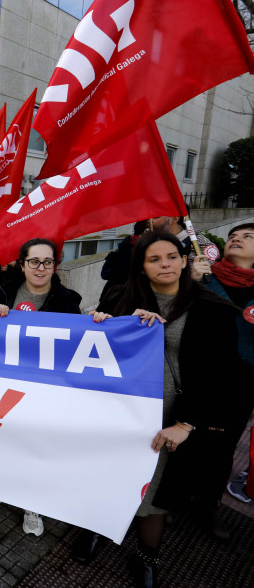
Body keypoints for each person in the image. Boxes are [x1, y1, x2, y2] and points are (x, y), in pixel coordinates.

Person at [88, 232, 251, 586]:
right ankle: (99, 529)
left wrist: (188, 423)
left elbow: (221, 375)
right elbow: (98, 351)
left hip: (168, 424)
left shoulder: (215, 309)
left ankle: (148, 559)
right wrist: (100, 323)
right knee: (108, 478)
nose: (165, 264)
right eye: (154, 259)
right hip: (119, 416)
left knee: (156, 492)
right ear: (142, 268)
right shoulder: (120, 297)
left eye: (172, 256)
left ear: (184, 260)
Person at [0, 238, 81, 538]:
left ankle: (32, 503)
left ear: (55, 265)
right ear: (22, 263)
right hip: (1, 386)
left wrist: (99, 322)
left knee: (33, 446)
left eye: (47, 262)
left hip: (43, 391)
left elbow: (78, 344)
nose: (40, 268)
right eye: (34, 261)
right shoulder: (1, 290)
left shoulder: (68, 301)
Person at [199, 224, 254, 504]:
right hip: (199, 376)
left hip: (242, 386)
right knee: (189, 441)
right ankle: (174, 501)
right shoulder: (204, 278)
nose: (236, 239)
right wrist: (190, 281)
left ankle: (209, 507)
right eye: (233, 235)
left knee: (224, 447)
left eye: (248, 237)